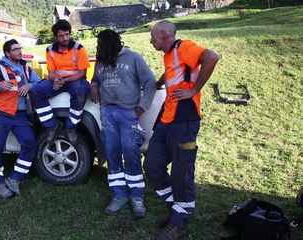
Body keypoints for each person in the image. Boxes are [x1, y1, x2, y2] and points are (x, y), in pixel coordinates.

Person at [144, 20, 219, 239]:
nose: (151, 41)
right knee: (152, 164)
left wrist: (194, 90)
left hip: (184, 120)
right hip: (167, 120)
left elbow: (211, 57)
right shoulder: (169, 55)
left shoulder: (183, 47)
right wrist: (158, 83)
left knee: (181, 171)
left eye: (153, 37)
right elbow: (172, 74)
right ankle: (177, 207)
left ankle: (180, 223)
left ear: (164, 34)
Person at [90, 30, 156, 218]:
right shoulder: (100, 62)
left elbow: (150, 82)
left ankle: (136, 196)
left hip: (128, 112)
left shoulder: (132, 57)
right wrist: (94, 86)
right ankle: (119, 195)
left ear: (111, 43)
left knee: (131, 151)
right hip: (107, 112)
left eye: (100, 44)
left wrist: (142, 107)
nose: (98, 47)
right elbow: (95, 79)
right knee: (112, 152)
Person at [0, 39, 39, 199]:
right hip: (0, 113)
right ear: (7, 53)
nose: (19, 51)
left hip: (19, 115)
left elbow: (38, 82)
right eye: (15, 49)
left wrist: (29, 86)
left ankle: (15, 178)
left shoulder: (25, 68)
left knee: (30, 143)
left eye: (20, 48)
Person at [30, 20, 90, 145]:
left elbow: (82, 73)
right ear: (56, 37)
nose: (65, 38)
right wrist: (55, 80)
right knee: (36, 91)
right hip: (58, 81)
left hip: (75, 81)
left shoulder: (79, 49)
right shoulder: (50, 49)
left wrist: (64, 80)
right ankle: (52, 126)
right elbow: (51, 72)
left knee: (81, 90)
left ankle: (71, 127)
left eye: (67, 34)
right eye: (61, 36)